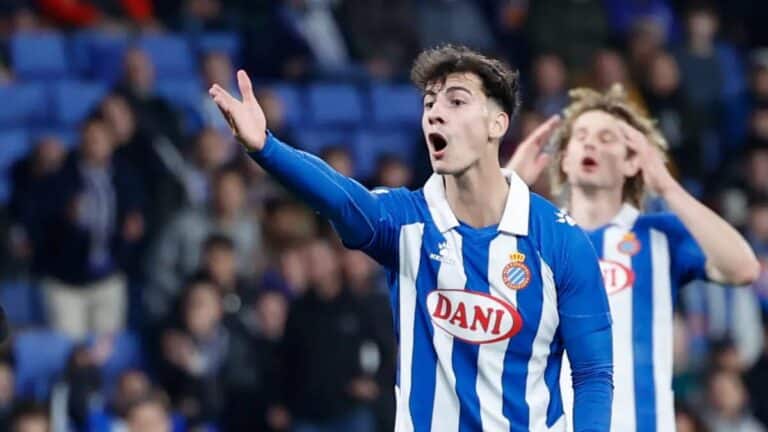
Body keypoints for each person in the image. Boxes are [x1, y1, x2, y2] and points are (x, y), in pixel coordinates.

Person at [210, 44, 613, 430]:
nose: (436, 113)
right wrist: (267, 147)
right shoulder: (407, 221)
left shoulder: (560, 241)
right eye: (429, 103)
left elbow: (593, 373)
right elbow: (343, 200)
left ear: (498, 123)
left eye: (455, 101)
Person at [508, 84, 761, 431]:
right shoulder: (530, 235)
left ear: (632, 161)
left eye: (607, 137)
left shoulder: (660, 234)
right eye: (580, 136)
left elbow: (744, 268)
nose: (591, 143)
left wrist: (667, 186)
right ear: (563, 158)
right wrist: (506, 189)